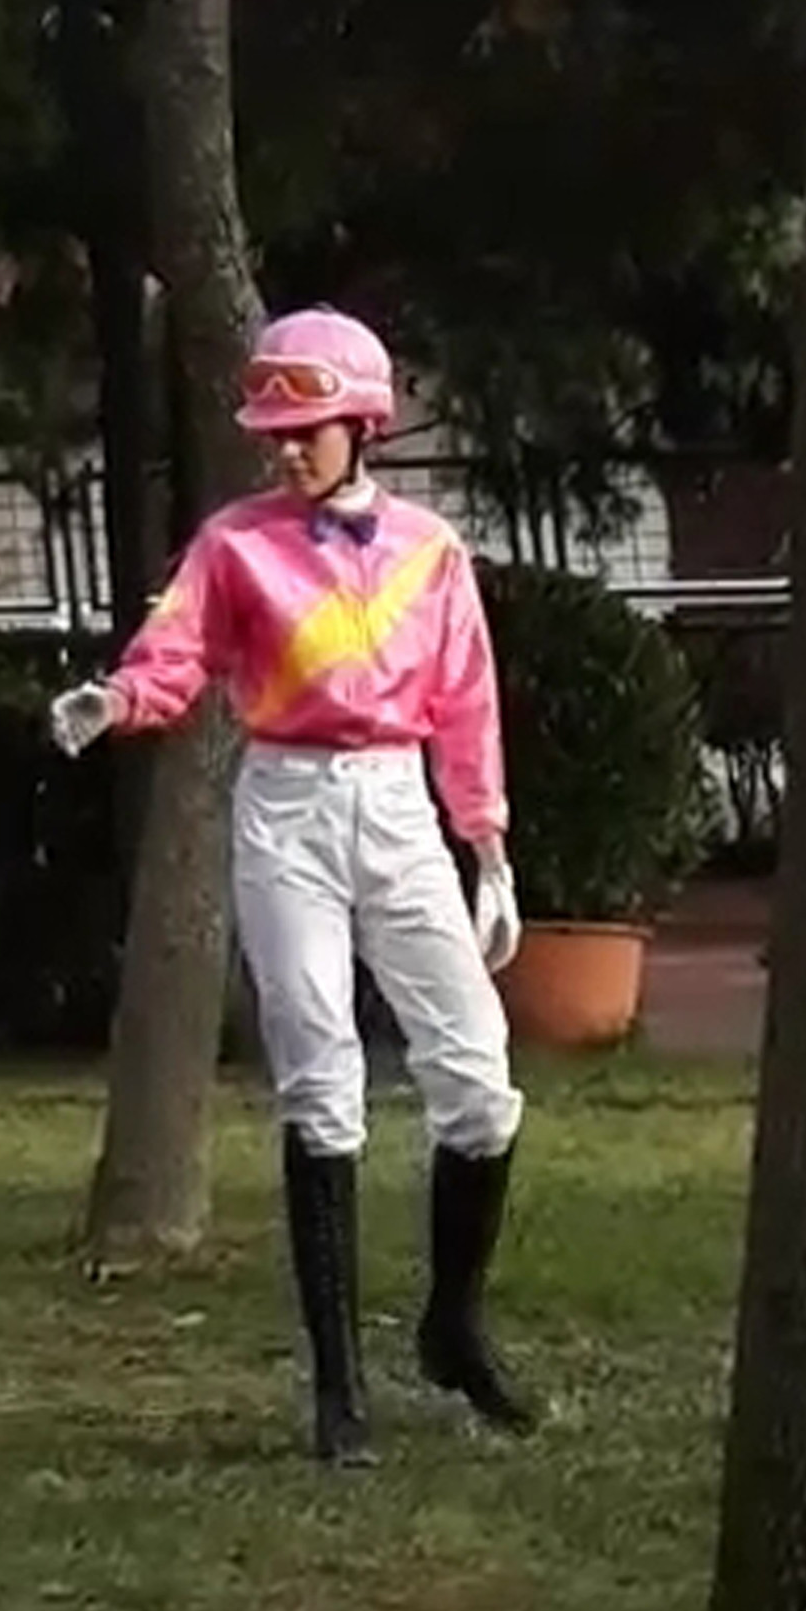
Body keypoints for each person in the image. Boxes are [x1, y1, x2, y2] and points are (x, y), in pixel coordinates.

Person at [49, 306, 536, 1467]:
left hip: (400, 805)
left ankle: (454, 1325)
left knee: (480, 1078)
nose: (286, 447)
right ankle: (338, 1387)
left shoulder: (431, 550)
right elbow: (174, 654)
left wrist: (488, 844)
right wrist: (119, 700)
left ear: (364, 424)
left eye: (307, 428)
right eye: (274, 430)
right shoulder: (233, 544)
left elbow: (466, 699)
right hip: (286, 805)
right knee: (322, 1078)